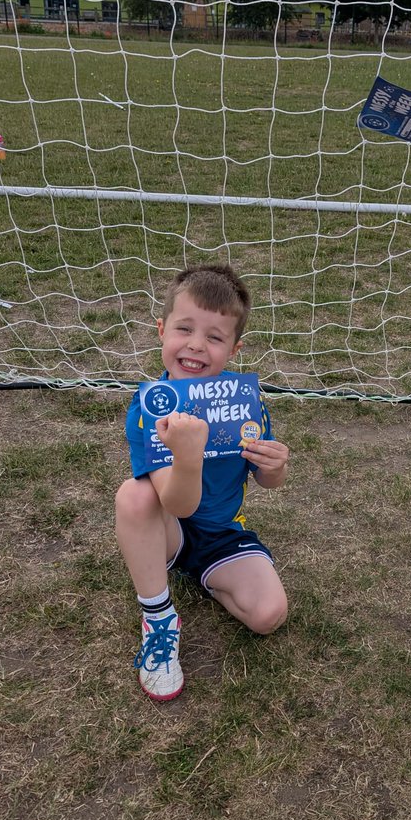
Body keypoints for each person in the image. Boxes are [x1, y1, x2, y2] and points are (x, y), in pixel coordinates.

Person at [116, 264, 289, 701]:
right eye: (184, 329)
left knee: (269, 615)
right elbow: (178, 506)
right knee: (134, 496)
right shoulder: (150, 406)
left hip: (221, 534)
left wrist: (275, 465)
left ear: (234, 347)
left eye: (215, 337)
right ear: (161, 330)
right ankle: (159, 619)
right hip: (169, 525)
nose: (196, 345)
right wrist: (188, 457)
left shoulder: (244, 403)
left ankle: (209, 574)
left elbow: (269, 482)